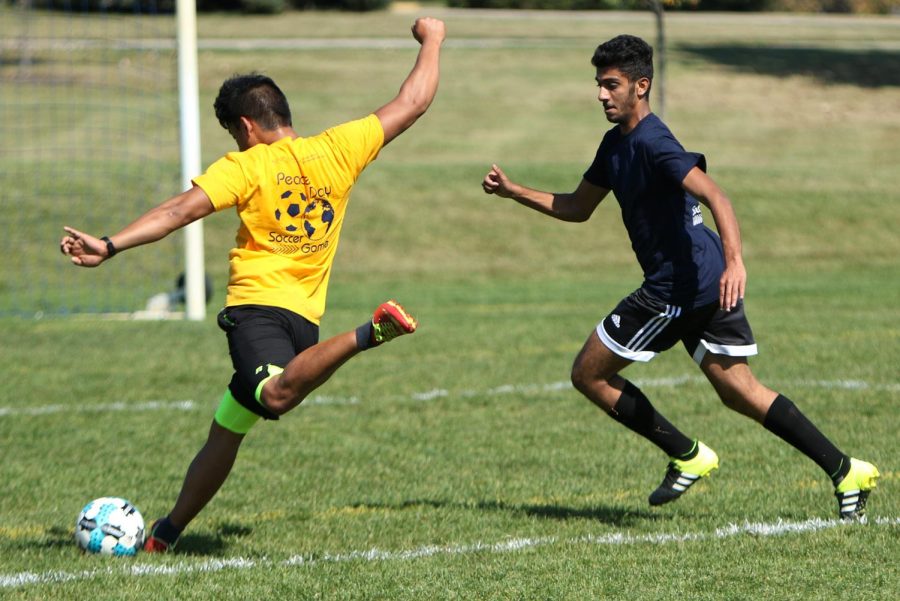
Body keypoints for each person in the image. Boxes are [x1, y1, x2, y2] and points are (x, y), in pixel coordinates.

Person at [60, 17, 446, 551]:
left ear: (244, 126)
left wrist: (111, 244)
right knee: (229, 423)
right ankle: (165, 535)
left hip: (257, 314)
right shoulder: (339, 147)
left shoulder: (246, 165)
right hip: (302, 323)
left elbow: (177, 211)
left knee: (275, 394)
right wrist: (434, 40)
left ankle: (369, 333)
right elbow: (414, 101)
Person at [481, 34, 878, 520]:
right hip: (704, 276)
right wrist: (514, 191)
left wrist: (738, 261)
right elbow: (577, 207)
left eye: (612, 85)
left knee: (588, 373)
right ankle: (846, 470)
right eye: (599, 85)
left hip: (678, 287)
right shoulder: (615, 146)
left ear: (640, 86)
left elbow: (718, 196)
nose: (602, 95)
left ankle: (688, 454)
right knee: (740, 391)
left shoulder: (653, 143)